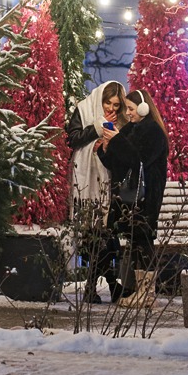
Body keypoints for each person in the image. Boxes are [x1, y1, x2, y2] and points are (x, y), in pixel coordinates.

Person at [98, 89, 169, 308]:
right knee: (136, 239)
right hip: (130, 196)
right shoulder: (130, 129)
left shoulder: (153, 132)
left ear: (143, 107)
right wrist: (106, 148)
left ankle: (147, 293)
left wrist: (118, 140)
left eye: (130, 108)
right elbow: (117, 163)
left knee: (143, 238)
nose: (127, 113)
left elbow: (139, 159)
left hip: (146, 196)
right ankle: (140, 291)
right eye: (126, 108)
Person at [66, 81, 127, 303]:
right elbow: (72, 138)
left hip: (106, 184)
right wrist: (98, 128)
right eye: (108, 103)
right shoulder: (83, 110)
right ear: (100, 99)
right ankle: (111, 285)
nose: (112, 109)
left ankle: (97, 287)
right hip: (85, 183)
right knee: (94, 236)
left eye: (116, 105)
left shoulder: (118, 121)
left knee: (102, 235)